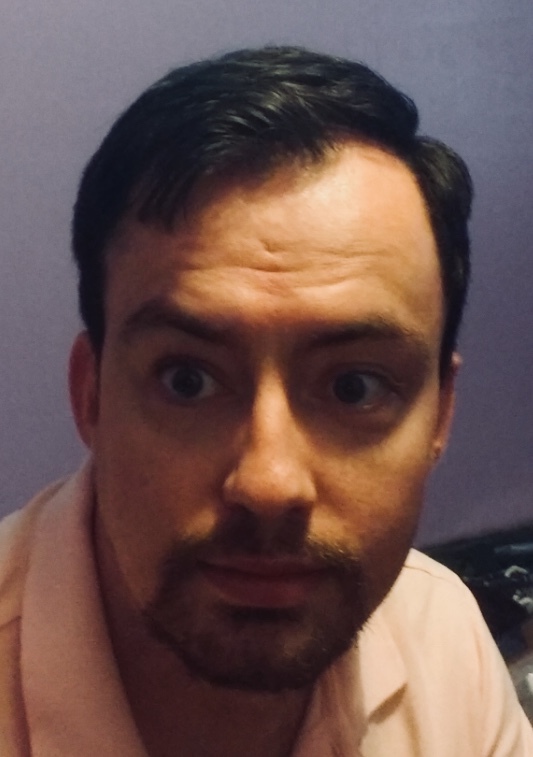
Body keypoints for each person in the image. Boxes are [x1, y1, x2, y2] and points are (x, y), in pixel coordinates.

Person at [0, 46, 530, 757]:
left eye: (354, 386)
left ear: (439, 416)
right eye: (187, 379)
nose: (269, 482)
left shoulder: (441, 636)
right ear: (90, 395)